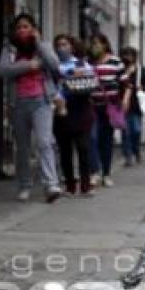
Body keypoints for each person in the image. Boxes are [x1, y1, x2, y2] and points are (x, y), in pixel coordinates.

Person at [0, 13, 62, 203]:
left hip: (41, 100)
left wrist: (40, 43)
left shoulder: (44, 46)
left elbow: (55, 65)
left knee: (44, 142)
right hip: (18, 103)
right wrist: (29, 65)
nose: (22, 30)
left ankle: (51, 184)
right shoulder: (10, 49)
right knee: (23, 147)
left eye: (26, 27)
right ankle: (24, 185)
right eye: (19, 27)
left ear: (33, 28)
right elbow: (3, 70)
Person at [52, 35, 95, 196]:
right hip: (61, 109)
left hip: (81, 108)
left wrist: (76, 74)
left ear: (72, 46)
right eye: (58, 45)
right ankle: (70, 184)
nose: (61, 48)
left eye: (64, 44)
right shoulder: (54, 65)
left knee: (83, 148)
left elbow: (91, 79)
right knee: (65, 150)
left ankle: (86, 184)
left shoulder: (82, 64)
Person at [88, 33, 127, 187]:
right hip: (92, 106)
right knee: (92, 138)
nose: (94, 46)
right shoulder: (89, 62)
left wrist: (124, 100)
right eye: (92, 43)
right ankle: (95, 171)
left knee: (106, 140)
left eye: (97, 43)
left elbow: (125, 83)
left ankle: (106, 173)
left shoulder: (115, 62)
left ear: (105, 45)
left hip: (110, 107)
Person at [119, 46, 144, 166]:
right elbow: (119, 82)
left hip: (136, 104)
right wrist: (127, 73)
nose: (128, 58)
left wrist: (142, 87)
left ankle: (136, 150)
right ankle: (128, 156)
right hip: (123, 104)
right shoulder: (120, 69)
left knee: (136, 130)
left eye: (130, 55)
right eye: (125, 55)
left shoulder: (140, 70)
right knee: (126, 132)